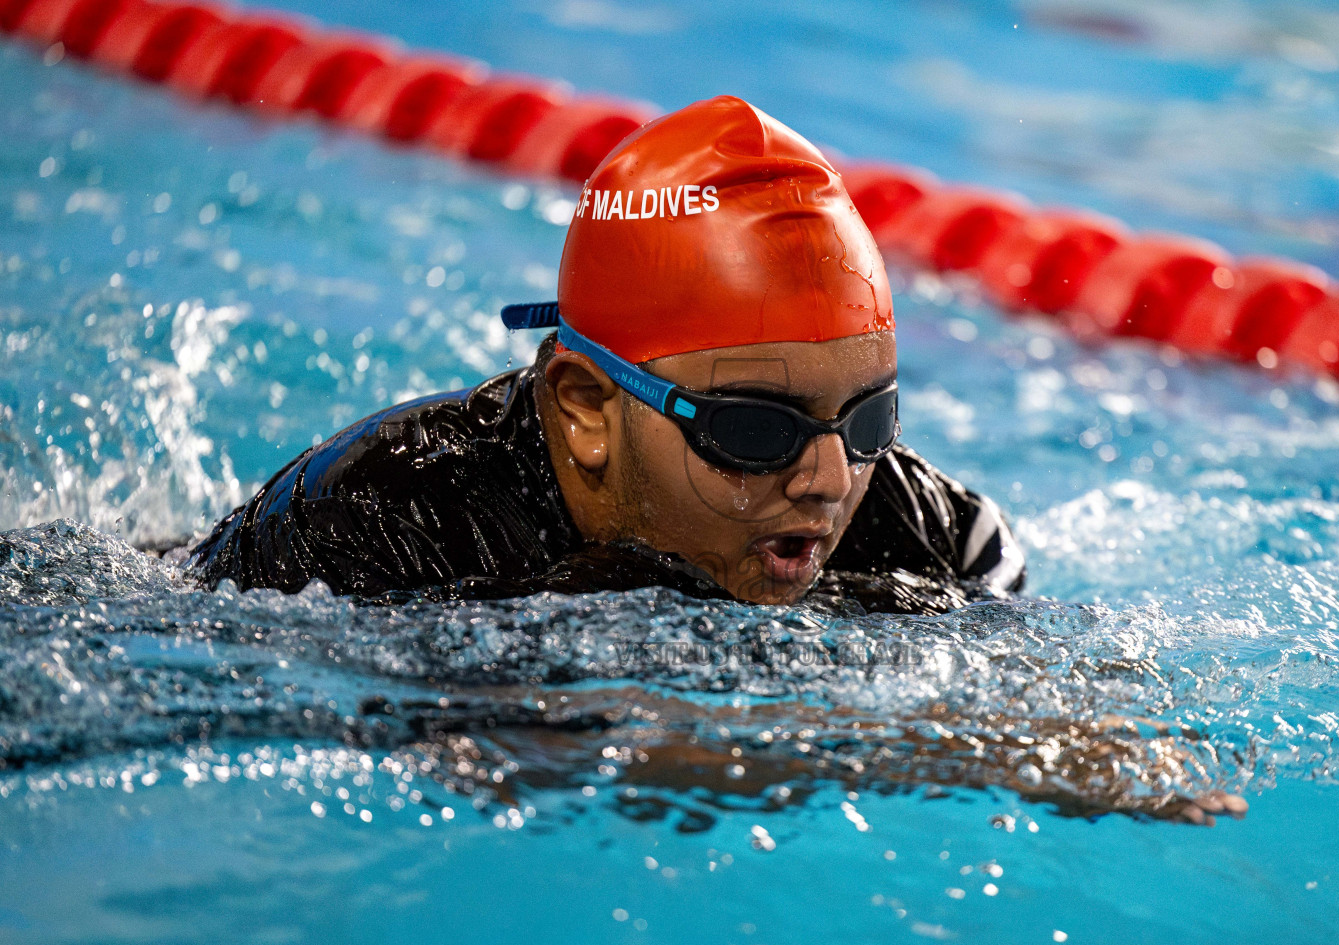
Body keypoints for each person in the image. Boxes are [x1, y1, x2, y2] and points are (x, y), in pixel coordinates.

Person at [186, 95, 1025, 614]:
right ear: (588, 407)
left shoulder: (942, 543)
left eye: (868, 416)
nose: (831, 479)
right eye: (756, 430)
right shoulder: (379, 526)